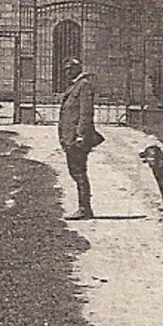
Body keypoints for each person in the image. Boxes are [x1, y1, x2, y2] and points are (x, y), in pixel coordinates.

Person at [57, 55, 102, 219]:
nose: (66, 73)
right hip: (70, 137)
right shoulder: (75, 86)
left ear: (77, 69)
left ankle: (85, 209)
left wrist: (81, 135)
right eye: (65, 70)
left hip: (77, 138)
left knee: (79, 172)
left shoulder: (84, 86)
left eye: (69, 69)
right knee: (75, 172)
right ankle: (84, 207)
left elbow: (86, 113)